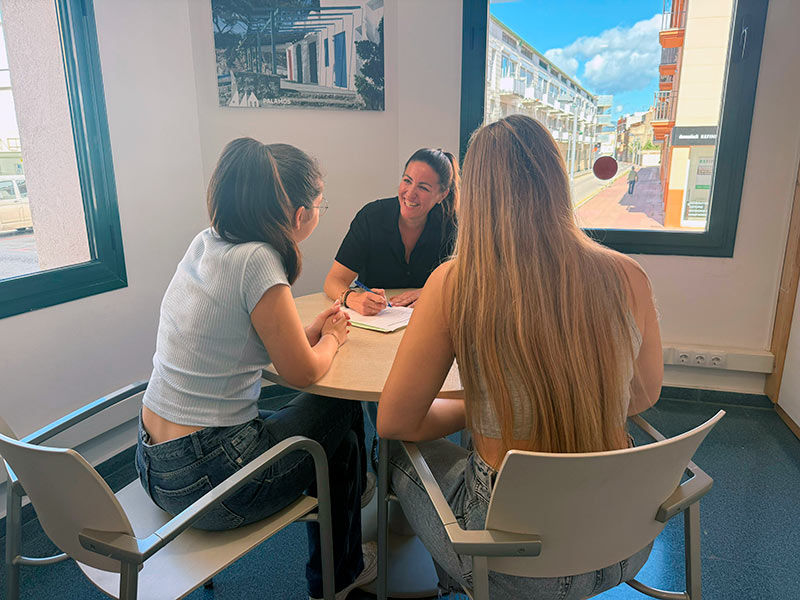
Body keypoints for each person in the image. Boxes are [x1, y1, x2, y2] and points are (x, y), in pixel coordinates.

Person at [377, 115, 663, 599]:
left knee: (389, 454)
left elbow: (395, 421)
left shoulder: (454, 282)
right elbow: (642, 394)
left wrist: (488, 406)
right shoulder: (628, 275)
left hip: (508, 562)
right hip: (622, 543)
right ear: (557, 180)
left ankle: (452, 581)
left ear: (475, 196)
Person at [136, 138, 376, 600]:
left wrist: (308, 330)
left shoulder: (206, 244)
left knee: (338, 446)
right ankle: (345, 548)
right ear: (301, 215)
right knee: (343, 410)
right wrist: (331, 338)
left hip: (152, 463)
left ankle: (343, 550)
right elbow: (304, 374)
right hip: (210, 479)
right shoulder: (259, 260)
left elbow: (242, 340)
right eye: (321, 206)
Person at [323, 148, 459, 315]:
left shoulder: (452, 225)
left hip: (427, 319)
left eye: (423, 188)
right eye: (407, 181)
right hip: (373, 321)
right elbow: (334, 280)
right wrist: (351, 298)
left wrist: (429, 291)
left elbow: (466, 281)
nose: (410, 193)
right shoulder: (371, 217)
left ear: (442, 195)